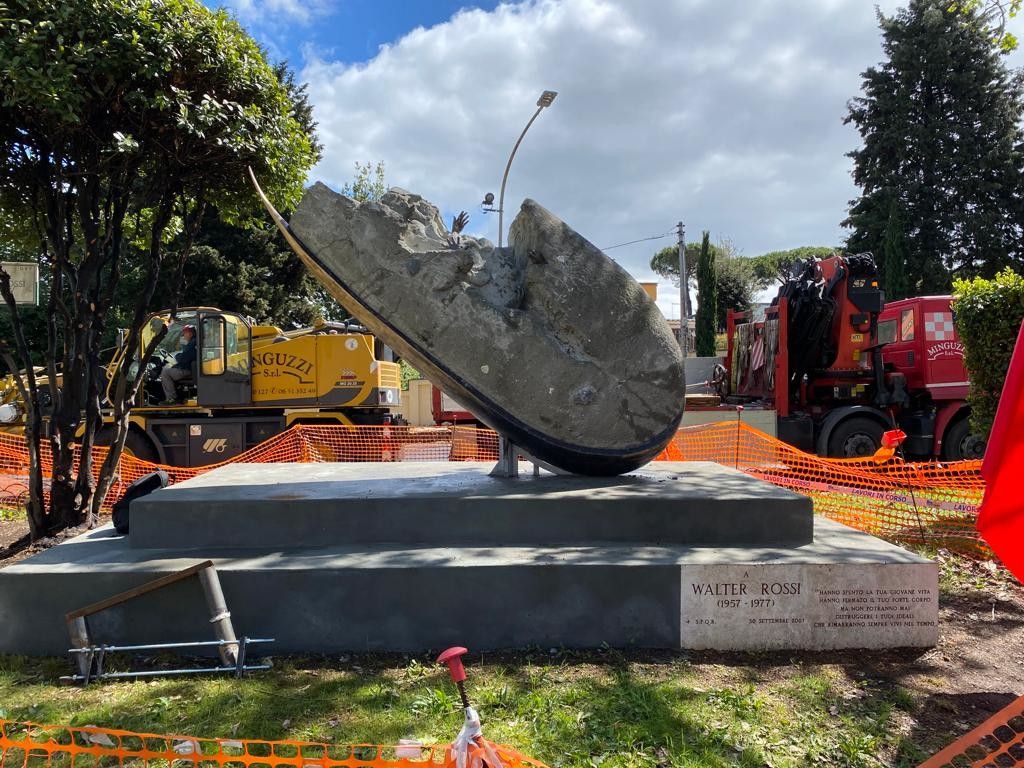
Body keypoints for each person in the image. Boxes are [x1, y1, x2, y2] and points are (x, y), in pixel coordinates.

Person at [159, 325, 196, 405]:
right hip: (190, 369)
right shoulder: (193, 343)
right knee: (169, 369)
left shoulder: (192, 344)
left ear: (190, 334)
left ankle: (171, 399)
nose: (183, 336)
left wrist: (176, 357)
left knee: (165, 372)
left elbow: (184, 358)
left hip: (187, 371)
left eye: (184, 333)